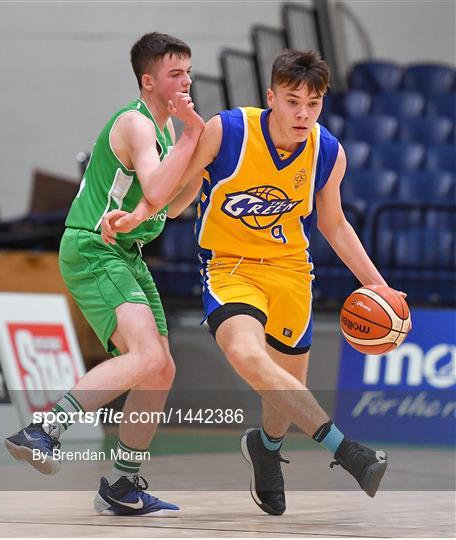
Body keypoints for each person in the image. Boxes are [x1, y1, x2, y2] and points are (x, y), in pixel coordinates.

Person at [102, 49, 406, 516]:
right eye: (292, 101)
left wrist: (379, 286)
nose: (303, 113)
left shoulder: (327, 151)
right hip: (229, 267)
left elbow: (335, 225)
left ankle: (266, 449)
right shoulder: (230, 131)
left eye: (313, 103)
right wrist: (139, 215)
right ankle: (348, 452)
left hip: (290, 272)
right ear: (271, 98)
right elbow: (179, 188)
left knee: (282, 393)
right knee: (247, 355)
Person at [4, 32, 205, 517]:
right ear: (148, 80)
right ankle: (43, 430)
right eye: (175, 73)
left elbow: (172, 207)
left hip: (127, 253)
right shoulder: (136, 123)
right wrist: (196, 136)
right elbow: (156, 186)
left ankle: (122, 483)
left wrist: (200, 164)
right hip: (97, 247)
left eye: (189, 71)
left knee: (162, 367)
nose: (186, 81)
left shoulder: (164, 132)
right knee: (146, 354)